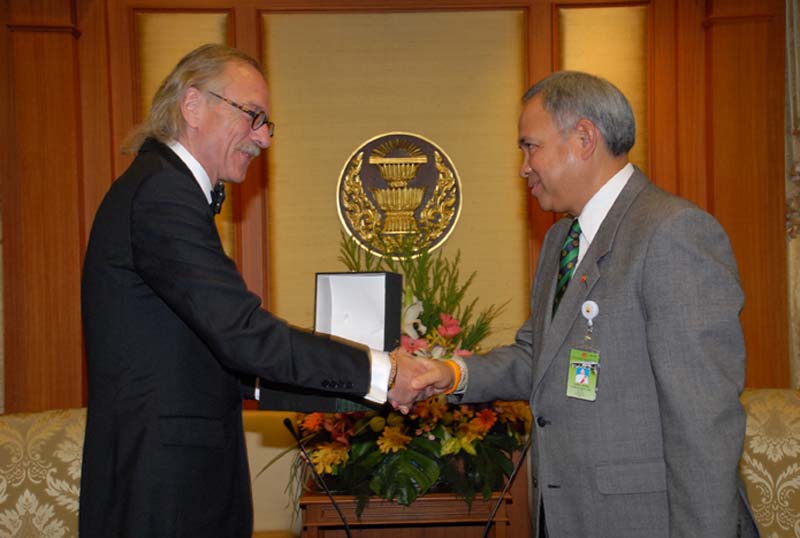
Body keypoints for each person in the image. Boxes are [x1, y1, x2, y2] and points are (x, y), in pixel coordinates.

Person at [80, 43, 423, 538]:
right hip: (163, 493)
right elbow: (242, 333)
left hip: (169, 484)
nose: (263, 138)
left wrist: (347, 385)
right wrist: (383, 372)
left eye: (267, 124)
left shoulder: (160, 186)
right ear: (192, 104)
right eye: (252, 116)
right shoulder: (162, 194)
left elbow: (199, 351)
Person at [407, 71, 758, 537]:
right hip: (568, 516)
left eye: (530, 147)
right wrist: (450, 373)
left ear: (585, 138)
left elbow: (703, 421)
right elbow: (538, 357)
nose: (524, 167)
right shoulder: (561, 240)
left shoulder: (671, 232)